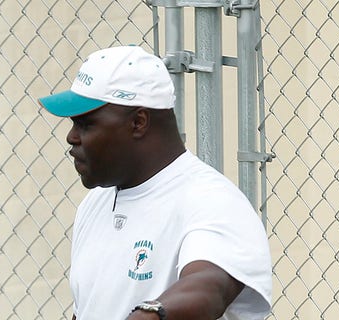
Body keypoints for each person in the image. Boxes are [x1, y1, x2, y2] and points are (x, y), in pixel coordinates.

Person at [38, 46, 272, 320]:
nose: (71, 137)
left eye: (86, 124)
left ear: (138, 122)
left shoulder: (212, 201)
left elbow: (209, 287)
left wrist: (148, 316)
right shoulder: (94, 204)